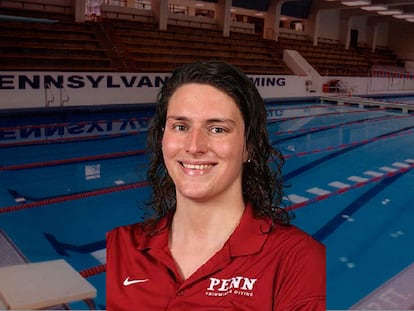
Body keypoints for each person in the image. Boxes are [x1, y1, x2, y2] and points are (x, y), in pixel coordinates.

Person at [106, 61, 326, 310]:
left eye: (217, 129)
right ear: (162, 138)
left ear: (249, 147)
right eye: (180, 126)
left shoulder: (297, 259)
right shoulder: (121, 245)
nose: (194, 146)